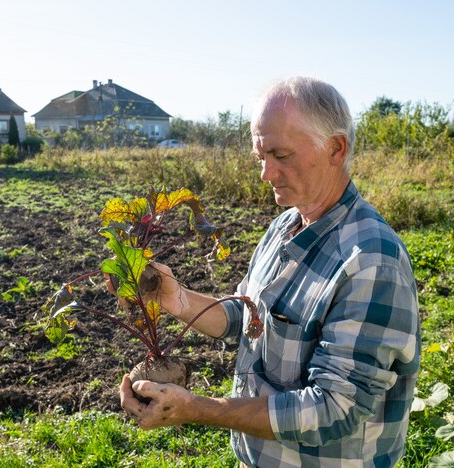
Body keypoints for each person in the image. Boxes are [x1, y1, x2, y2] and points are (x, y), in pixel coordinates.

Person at [120, 76, 421, 467]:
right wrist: (175, 298)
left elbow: (335, 409)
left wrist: (198, 409)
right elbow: (244, 316)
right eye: (260, 157)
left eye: (281, 155)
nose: (266, 173)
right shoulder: (284, 226)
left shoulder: (370, 260)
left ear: (335, 148)